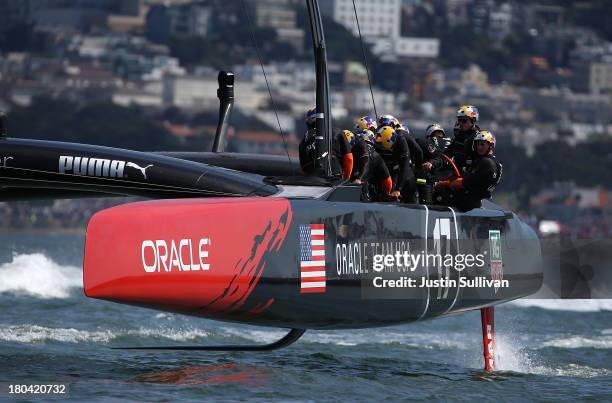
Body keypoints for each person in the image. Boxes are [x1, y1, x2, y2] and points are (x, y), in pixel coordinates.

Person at [435, 130, 502, 211]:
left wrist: (446, 183)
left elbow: (467, 181)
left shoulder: (485, 162)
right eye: (478, 144)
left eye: (482, 144)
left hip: (470, 204)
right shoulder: (496, 163)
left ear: (490, 146)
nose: (479, 147)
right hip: (483, 201)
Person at [299, 108, 352, 179]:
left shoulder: (304, 140)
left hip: (312, 180)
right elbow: (348, 158)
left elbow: (304, 169)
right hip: (335, 175)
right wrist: (347, 177)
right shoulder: (337, 132)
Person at [375, 125, 418, 203]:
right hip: (389, 171)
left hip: (402, 171)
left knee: (408, 179)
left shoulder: (401, 142)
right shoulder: (379, 144)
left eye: (381, 146)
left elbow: (404, 167)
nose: (380, 148)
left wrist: (398, 189)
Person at [351, 129, 393, 201]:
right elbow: (387, 180)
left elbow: (365, 160)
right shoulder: (377, 155)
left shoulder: (360, 145)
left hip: (354, 183)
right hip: (366, 188)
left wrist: (359, 178)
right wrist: (386, 194)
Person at [416, 123, 448, 204]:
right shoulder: (452, 141)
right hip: (450, 178)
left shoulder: (425, 142)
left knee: (418, 180)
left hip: (432, 179)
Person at [445, 105, 480, 173]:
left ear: (473, 120)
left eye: (464, 120)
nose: (460, 123)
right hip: (456, 174)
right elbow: (447, 154)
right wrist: (433, 163)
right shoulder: (459, 137)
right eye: (459, 120)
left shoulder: (478, 139)